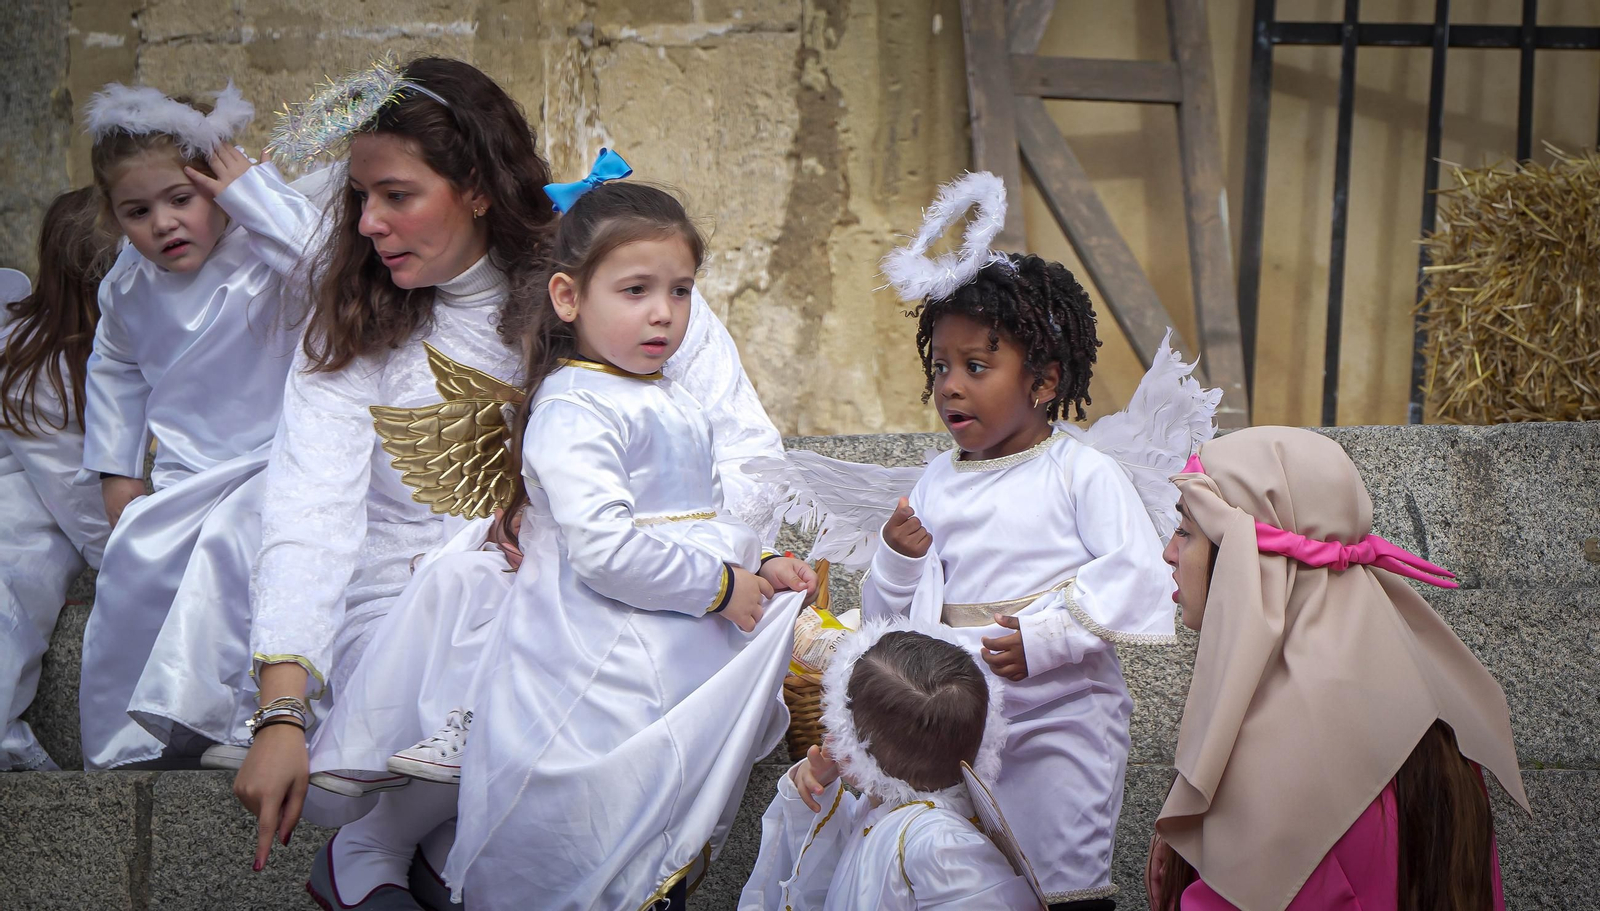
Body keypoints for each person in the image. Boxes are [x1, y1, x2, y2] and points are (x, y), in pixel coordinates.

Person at [228, 58, 786, 888]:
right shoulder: (351, 326)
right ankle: (385, 848)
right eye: (360, 197)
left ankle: (472, 865)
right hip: (415, 612)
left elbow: (745, 455)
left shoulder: (628, 286)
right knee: (499, 610)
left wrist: (716, 562)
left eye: (398, 194)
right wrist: (280, 711)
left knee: (647, 645)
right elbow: (310, 512)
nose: (371, 221)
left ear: (479, 188)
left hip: (614, 581)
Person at [416, 178, 809, 911]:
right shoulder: (573, 406)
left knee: (652, 843)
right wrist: (724, 587)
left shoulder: (670, 395)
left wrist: (754, 564)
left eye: (682, 290)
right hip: (599, 671)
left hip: (664, 659)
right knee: (596, 835)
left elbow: (686, 518)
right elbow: (604, 549)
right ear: (569, 298)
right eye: (635, 290)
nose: (664, 312)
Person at [861, 172, 1185, 909]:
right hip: (957, 716)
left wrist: (1050, 637)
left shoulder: (1079, 471)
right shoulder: (938, 480)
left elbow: (1136, 571)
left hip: (1058, 711)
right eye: (941, 366)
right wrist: (897, 558)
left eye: (977, 366)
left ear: (1043, 381)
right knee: (969, 877)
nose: (951, 385)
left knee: (1056, 871)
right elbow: (899, 611)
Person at [1146, 427, 1527, 911]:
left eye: (1186, 530)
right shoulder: (1429, 718)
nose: (1169, 553)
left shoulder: (1282, 753)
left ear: (1247, 556)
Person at [74, 82, 322, 769]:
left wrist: (254, 193)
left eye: (181, 198)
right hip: (188, 467)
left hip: (277, 456)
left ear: (217, 182)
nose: (162, 223)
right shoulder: (125, 286)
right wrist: (119, 473)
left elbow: (323, 267)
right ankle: (146, 733)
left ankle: (238, 718)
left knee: (239, 539)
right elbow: (116, 371)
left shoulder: (264, 246)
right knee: (137, 556)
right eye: (137, 211)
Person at [740, 620, 1041, 909]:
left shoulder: (940, 844)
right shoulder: (886, 808)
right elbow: (841, 869)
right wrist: (820, 790)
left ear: (855, 748)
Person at [0, 188, 117, 770]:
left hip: (60, 492)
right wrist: (138, 562)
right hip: (26, 492)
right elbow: (76, 495)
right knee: (18, 562)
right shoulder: (36, 365)